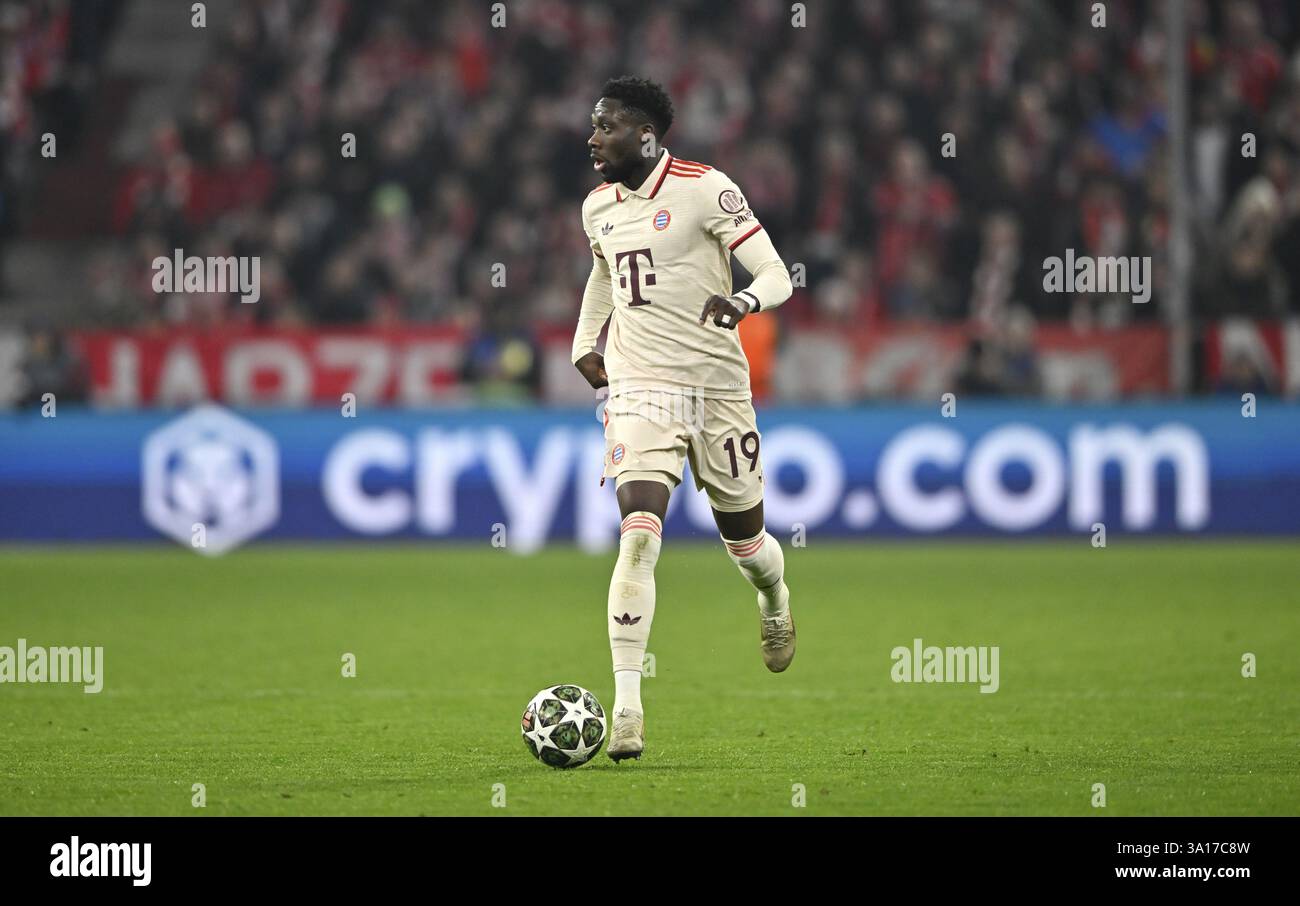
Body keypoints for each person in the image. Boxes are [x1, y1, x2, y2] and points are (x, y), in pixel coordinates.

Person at [571, 76, 795, 761]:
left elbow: (777, 272)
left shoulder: (706, 188)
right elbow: (605, 274)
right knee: (638, 535)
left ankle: (775, 600)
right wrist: (587, 342)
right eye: (592, 124)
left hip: (717, 393)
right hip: (641, 390)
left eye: (605, 126)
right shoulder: (597, 208)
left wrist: (744, 303)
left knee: (749, 549)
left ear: (645, 135)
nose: (592, 137)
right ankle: (628, 708)